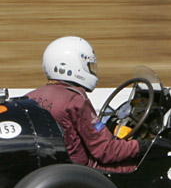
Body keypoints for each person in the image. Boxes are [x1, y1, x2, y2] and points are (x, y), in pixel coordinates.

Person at [26, 36, 143, 173]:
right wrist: (141, 146)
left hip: (50, 169)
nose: (91, 70)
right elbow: (105, 151)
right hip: (83, 172)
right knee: (143, 166)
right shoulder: (75, 100)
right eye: (88, 66)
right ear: (71, 67)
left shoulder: (30, 96)